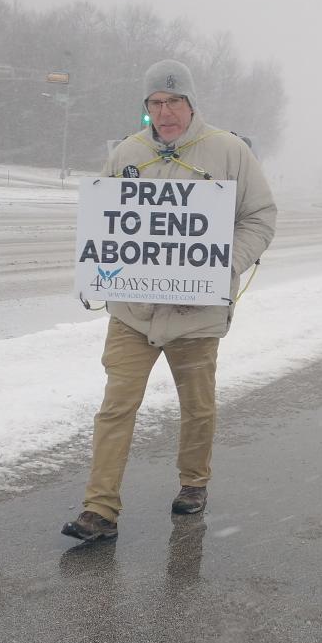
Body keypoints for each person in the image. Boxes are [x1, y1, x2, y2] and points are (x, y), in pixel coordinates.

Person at [62, 60, 277, 543]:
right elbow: (106, 219)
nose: (165, 112)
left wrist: (226, 262)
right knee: (116, 407)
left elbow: (260, 216)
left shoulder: (229, 152)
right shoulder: (126, 153)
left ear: (191, 103)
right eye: (156, 103)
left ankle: (193, 483)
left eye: (174, 102)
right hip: (132, 314)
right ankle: (100, 509)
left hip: (195, 314)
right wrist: (99, 267)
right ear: (146, 109)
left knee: (197, 408)